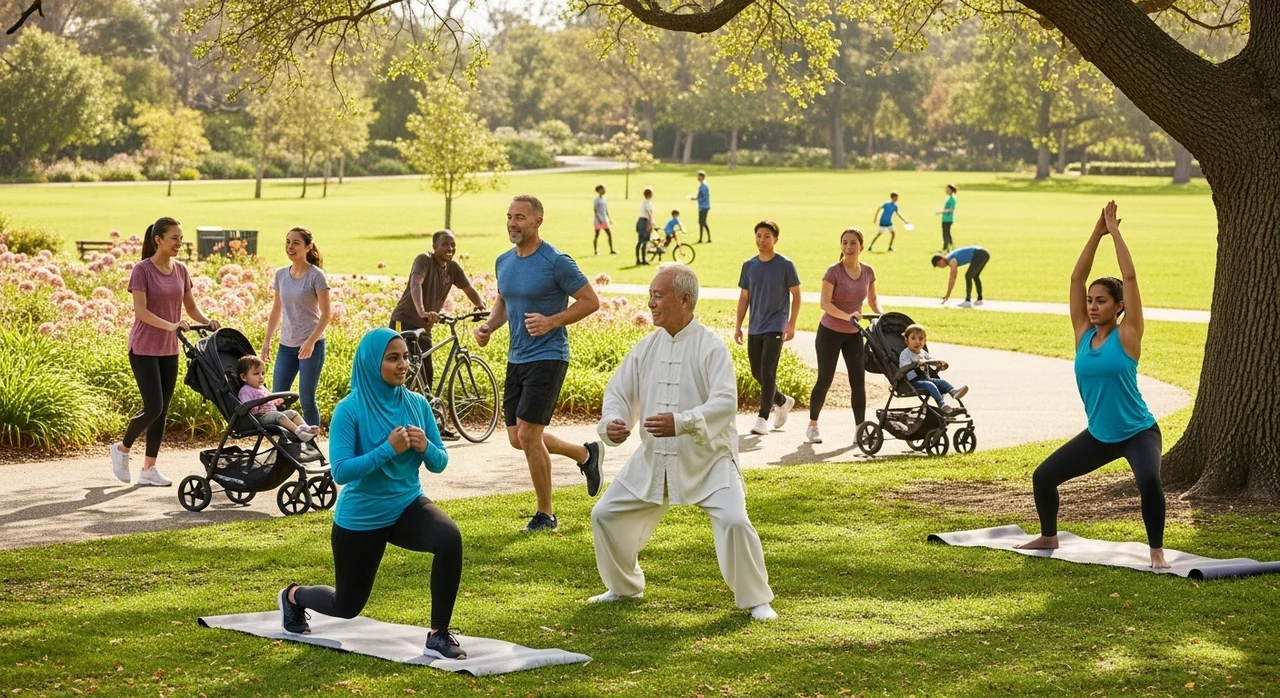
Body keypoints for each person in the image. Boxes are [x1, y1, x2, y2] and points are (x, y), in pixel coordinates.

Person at [589, 264, 776, 621]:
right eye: (650, 296)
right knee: (605, 515)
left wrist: (683, 422)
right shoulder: (645, 347)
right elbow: (618, 392)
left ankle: (756, 600)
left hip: (709, 461)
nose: (651, 303)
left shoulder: (711, 347)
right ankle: (624, 586)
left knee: (735, 521)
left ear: (685, 300)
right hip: (653, 459)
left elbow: (725, 403)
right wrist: (611, 423)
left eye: (658, 296)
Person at [276, 328, 467, 659]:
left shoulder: (417, 404)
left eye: (405, 357)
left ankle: (439, 633)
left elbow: (440, 462)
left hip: (407, 504)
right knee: (346, 605)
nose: (403, 365)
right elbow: (342, 471)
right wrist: (387, 450)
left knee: (449, 538)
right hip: (362, 516)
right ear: (370, 363)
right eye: (392, 358)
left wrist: (425, 449)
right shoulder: (350, 410)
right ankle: (293, 596)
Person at [1015, 201, 1168, 569]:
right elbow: (1075, 279)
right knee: (1044, 476)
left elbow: (1130, 280)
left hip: (1137, 431)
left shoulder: (1128, 335)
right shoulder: (1083, 335)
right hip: (1100, 435)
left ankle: (1157, 551)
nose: (1093, 306)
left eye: (1102, 301)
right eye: (1091, 301)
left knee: (1148, 480)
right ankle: (1049, 535)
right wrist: (1095, 233)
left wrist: (1115, 233)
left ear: (1118, 307)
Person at [474, 195, 604, 532]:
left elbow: (591, 301)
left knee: (530, 434)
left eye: (519, 217)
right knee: (519, 438)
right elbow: (504, 300)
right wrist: (490, 326)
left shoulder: (556, 261)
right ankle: (585, 455)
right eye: (509, 217)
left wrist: (552, 321)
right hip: (516, 356)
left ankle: (545, 514)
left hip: (549, 356)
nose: (512, 223)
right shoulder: (504, 261)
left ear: (537, 222)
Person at [110, 217, 219, 487]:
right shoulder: (142, 270)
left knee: (162, 409)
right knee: (154, 406)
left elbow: (191, 308)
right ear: (158, 240)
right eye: (174, 238)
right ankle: (122, 449)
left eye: (181, 239)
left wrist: (207, 321)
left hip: (169, 349)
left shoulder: (181, 270)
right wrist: (171, 324)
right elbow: (141, 312)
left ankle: (149, 469)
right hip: (144, 347)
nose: (179, 243)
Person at [389, 229, 486, 440]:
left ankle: (432, 424)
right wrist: (422, 310)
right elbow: (416, 283)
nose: (450, 249)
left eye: (453, 245)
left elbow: (468, 288)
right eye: (445, 245)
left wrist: (480, 305)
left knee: (427, 375)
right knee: (401, 372)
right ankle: (392, 423)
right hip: (404, 320)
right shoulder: (424, 260)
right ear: (435, 247)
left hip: (425, 327)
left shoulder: (452, 268)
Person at [806, 227, 881, 444]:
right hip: (829, 332)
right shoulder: (833, 271)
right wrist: (847, 315)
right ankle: (813, 425)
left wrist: (884, 316)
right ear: (841, 246)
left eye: (853, 243)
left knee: (858, 381)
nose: (848, 247)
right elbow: (825, 304)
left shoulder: (868, 272)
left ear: (861, 247)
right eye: (845, 243)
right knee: (824, 380)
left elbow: (874, 301)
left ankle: (860, 429)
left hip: (853, 334)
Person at [734, 220, 801, 437]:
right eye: (759, 236)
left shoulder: (785, 265)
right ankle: (782, 401)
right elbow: (744, 298)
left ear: (776, 240)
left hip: (775, 325)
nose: (762, 240)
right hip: (755, 326)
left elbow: (797, 295)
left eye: (767, 237)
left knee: (767, 371)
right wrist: (738, 326)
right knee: (756, 371)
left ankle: (762, 418)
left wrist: (791, 323)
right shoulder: (748, 265)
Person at [262, 227, 331, 429]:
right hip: (286, 345)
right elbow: (276, 310)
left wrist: (310, 342)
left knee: (307, 399)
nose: (290, 247)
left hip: (312, 346)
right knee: (278, 398)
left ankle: (312, 447)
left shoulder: (316, 276)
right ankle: (284, 446)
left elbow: (326, 314)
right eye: (287, 242)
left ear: (308, 247)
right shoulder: (281, 275)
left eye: (296, 243)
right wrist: (267, 341)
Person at [236, 356, 317, 441]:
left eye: (263, 373)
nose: (261, 377)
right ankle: (298, 432)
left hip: (272, 413)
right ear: (244, 377)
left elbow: (269, 400)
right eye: (256, 374)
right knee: (279, 415)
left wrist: (275, 401)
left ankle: (307, 429)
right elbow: (248, 408)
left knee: (293, 413)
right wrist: (260, 404)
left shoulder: (262, 388)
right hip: (260, 418)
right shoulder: (245, 391)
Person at [898, 324, 968, 415]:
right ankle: (942, 405)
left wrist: (937, 364)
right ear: (906, 340)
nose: (917, 342)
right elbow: (906, 372)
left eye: (921, 339)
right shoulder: (905, 355)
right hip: (913, 382)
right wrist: (917, 366)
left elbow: (930, 359)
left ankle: (953, 392)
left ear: (925, 341)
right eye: (913, 338)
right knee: (930, 385)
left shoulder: (923, 352)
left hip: (925, 379)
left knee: (941, 382)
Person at [687, 170, 711, 243]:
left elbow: (703, 196)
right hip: (703, 206)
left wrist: (694, 198)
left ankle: (701, 239)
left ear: (702, 177)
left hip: (704, 206)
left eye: (699, 176)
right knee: (702, 222)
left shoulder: (703, 186)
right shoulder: (703, 185)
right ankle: (707, 238)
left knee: (702, 222)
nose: (698, 177)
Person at [635, 187, 656, 266]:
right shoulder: (646, 203)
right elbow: (648, 213)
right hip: (644, 222)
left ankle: (643, 259)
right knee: (641, 241)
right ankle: (639, 259)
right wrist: (650, 223)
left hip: (645, 221)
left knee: (645, 242)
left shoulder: (648, 203)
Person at [593, 184, 616, 255]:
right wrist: (599, 219)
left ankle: (611, 250)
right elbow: (595, 210)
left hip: (604, 220)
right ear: (599, 190)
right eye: (602, 189)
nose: (604, 190)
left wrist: (609, 219)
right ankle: (595, 251)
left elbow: (606, 210)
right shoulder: (596, 200)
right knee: (597, 235)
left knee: (609, 234)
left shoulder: (604, 199)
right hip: (598, 221)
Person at [936, 184, 958, 252]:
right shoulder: (949, 198)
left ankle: (946, 247)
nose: (946, 190)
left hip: (948, 219)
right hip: (946, 218)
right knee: (946, 232)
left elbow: (951, 210)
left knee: (946, 233)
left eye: (948, 189)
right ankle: (949, 247)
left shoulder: (952, 199)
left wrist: (941, 211)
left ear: (951, 190)